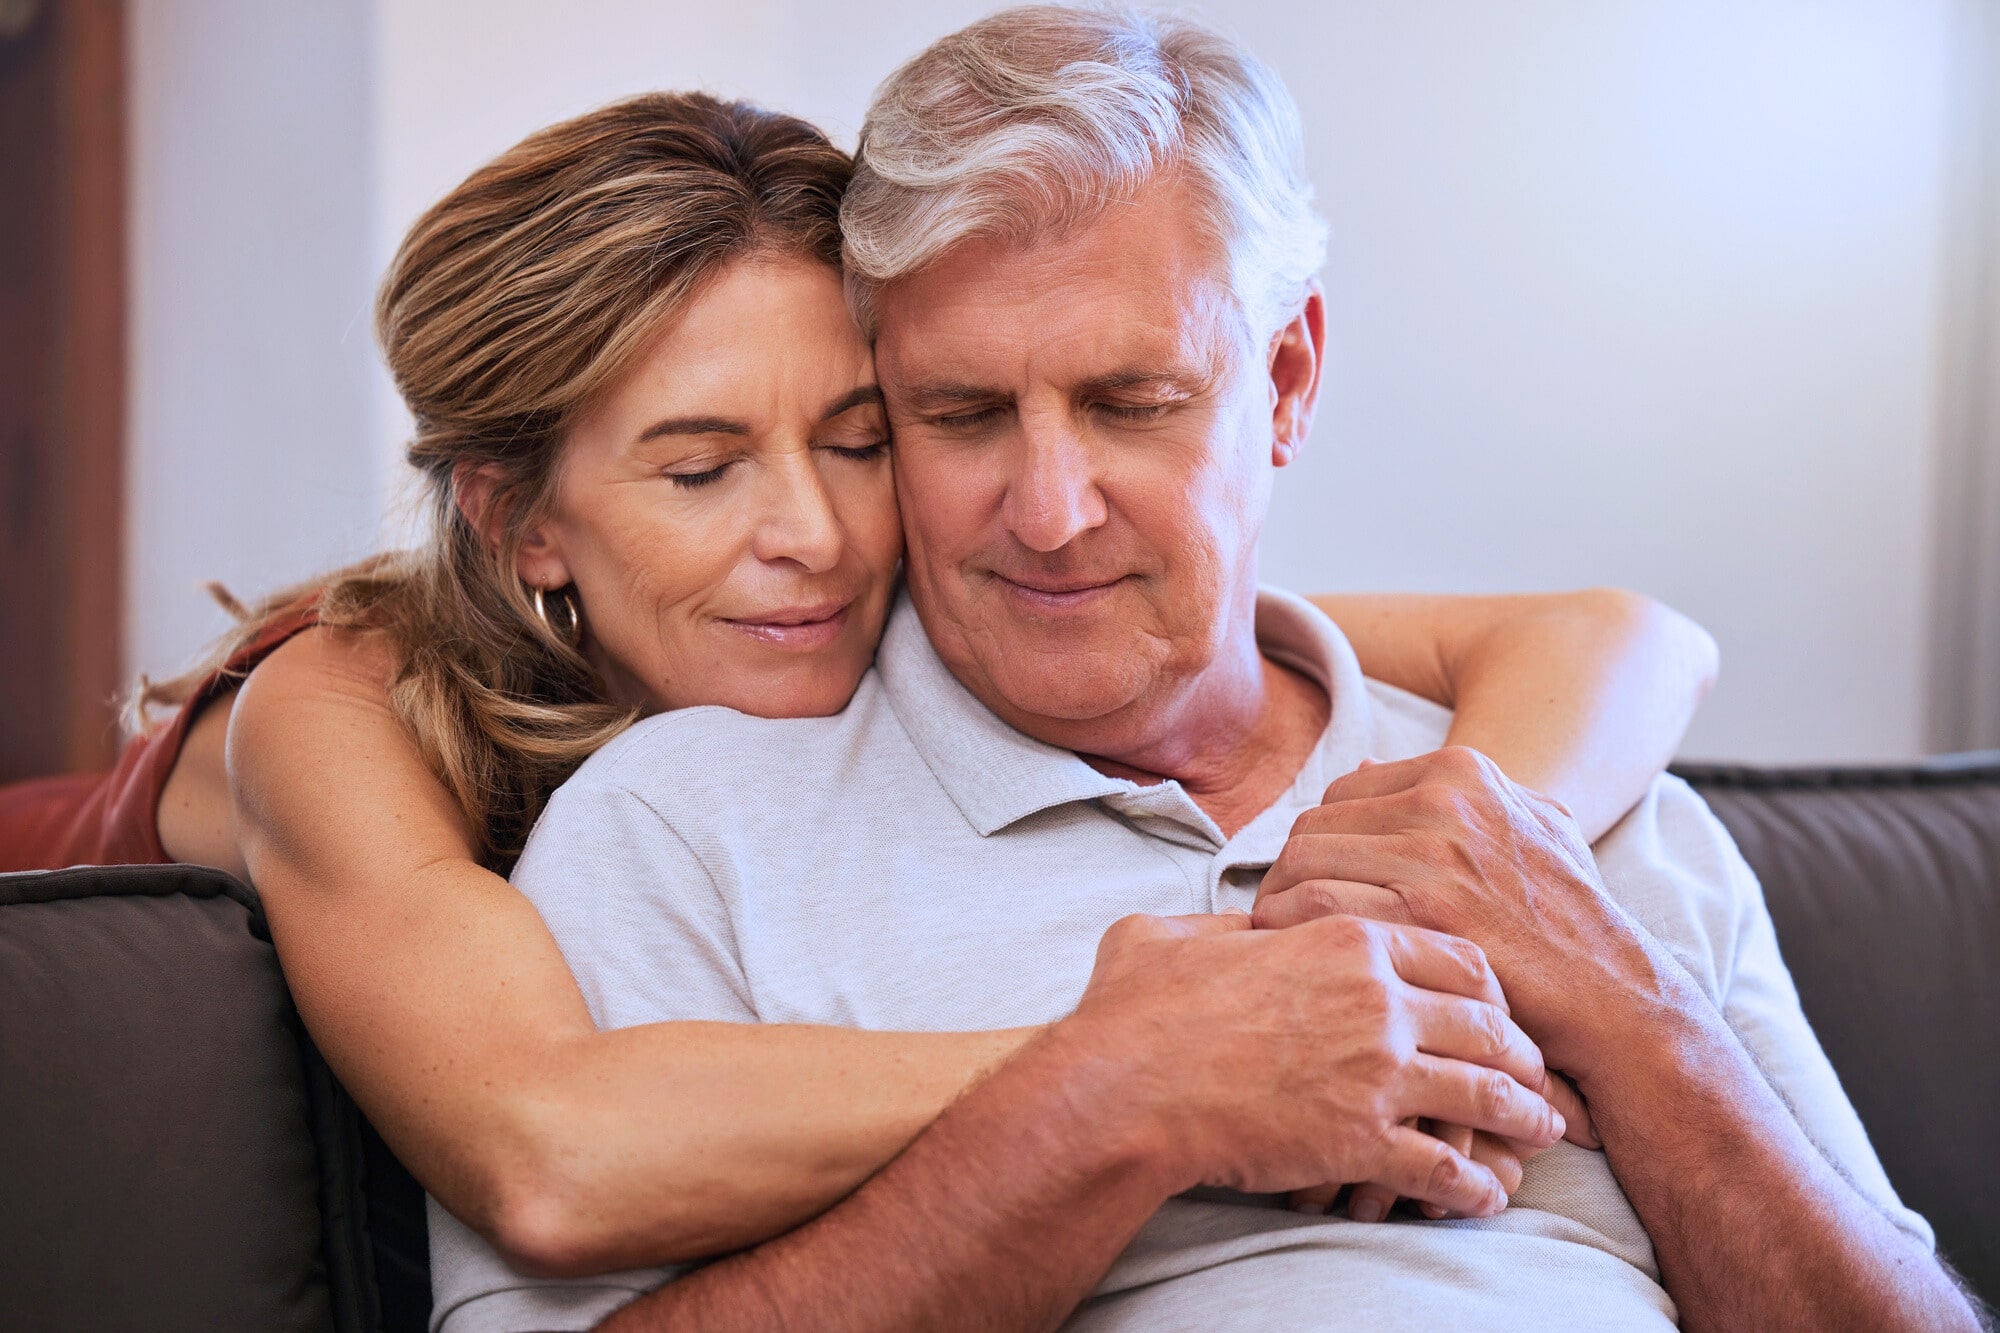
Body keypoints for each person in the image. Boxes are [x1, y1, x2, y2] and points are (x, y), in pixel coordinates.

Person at [432, 8, 1982, 1332]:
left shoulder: (1559, 793)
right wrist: (1114, 1107)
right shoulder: (686, 823)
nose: (1047, 514)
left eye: (1131, 401)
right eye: (962, 415)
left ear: (1286, 377)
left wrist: (1628, 1013)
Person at [0, 89, 1720, 1276]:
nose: (814, 537)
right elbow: (551, 1146)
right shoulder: (345, 705)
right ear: (520, 521)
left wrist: (1478, 885)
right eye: (698, 470)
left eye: (859, 436)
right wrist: (1169, 1056)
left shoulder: (932, 595)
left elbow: (1617, 638)